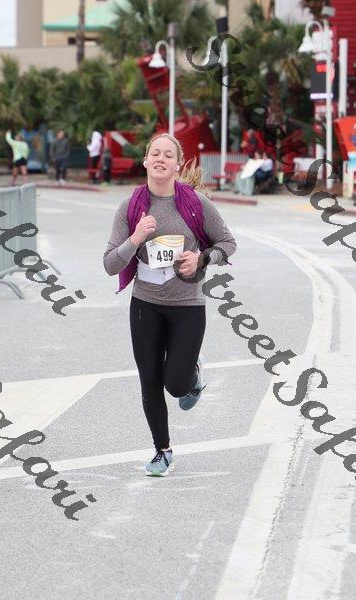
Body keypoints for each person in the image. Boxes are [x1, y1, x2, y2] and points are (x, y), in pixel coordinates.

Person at [103, 133, 237, 477]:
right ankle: (162, 451)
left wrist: (202, 259)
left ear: (177, 165)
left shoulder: (195, 203)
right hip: (145, 304)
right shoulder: (130, 207)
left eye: (168, 155)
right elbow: (110, 264)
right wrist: (135, 238)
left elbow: (227, 243)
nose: (160, 159)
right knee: (150, 381)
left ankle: (193, 374)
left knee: (176, 385)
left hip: (187, 304)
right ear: (145, 161)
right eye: (155, 153)